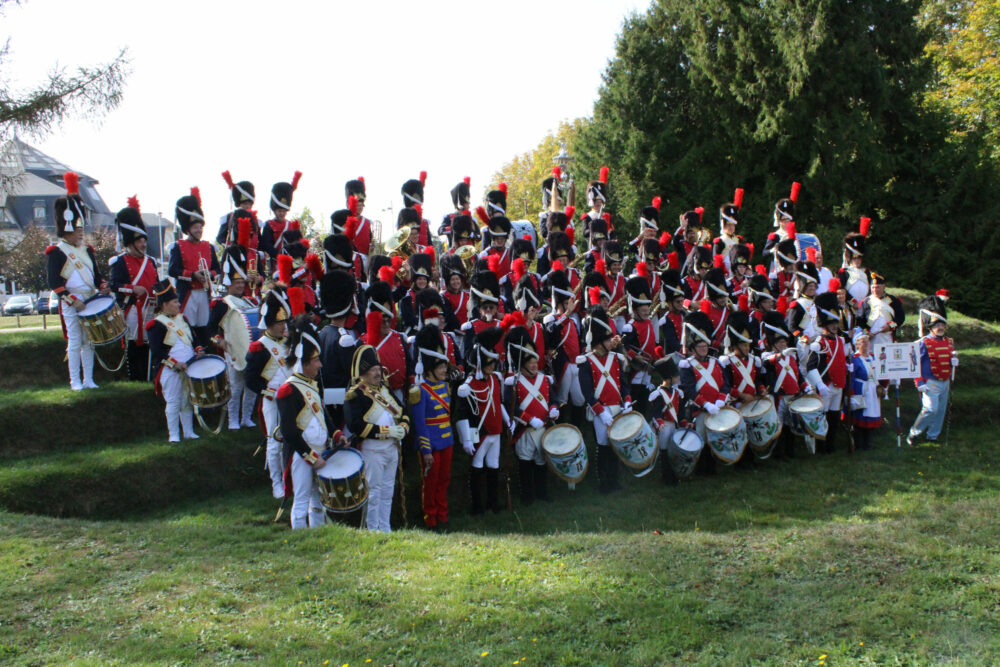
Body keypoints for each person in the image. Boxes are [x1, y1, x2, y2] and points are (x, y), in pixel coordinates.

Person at [276, 315, 346, 530]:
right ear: (304, 361)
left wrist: (336, 434)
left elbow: (323, 416)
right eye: (316, 360)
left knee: (318, 500)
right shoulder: (288, 390)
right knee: (302, 499)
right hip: (302, 454)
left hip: (320, 451)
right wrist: (310, 457)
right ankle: (300, 538)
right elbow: (289, 432)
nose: (320, 364)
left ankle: (317, 535)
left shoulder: (312, 386)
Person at [45, 171, 110, 391]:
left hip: (89, 299)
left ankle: (89, 379)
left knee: (89, 341)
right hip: (72, 301)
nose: (82, 234)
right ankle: (75, 381)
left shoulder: (88, 250)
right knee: (74, 342)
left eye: (83, 230)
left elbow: (96, 274)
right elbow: (54, 282)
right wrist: (72, 300)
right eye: (78, 230)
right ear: (68, 228)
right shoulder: (57, 251)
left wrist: (102, 285)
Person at [345, 341, 410, 532]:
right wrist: (387, 431)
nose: (377, 373)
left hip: (391, 449)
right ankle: (373, 529)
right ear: (363, 373)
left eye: (378, 369)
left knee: (388, 491)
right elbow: (356, 425)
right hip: (373, 449)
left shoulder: (385, 390)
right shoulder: (356, 395)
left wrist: (404, 428)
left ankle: (385, 527)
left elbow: (403, 412)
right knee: (373, 492)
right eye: (373, 370)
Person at [504, 321, 559, 505]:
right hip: (525, 430)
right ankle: (527, 496)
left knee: (541, 463)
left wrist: (553, 409)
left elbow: (553, 400)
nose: (535, 366)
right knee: (525, 464)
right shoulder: (513, 382)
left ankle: (542, 493)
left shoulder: (545, 379)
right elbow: (512, 407)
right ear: (524, 364)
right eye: (531, 363)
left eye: (536, 362)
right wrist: (528, 419)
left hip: (543, 428)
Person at [245, 287, 291, 498]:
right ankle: (276, 483)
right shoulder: (258, 348)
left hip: (291, 398)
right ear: (269, 324)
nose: (283, 326)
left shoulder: (289, 344)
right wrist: (267, 391)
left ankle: (289, 479)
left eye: (284, 322)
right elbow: (251, 380)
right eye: (279, 323)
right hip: (272, 400)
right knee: (274, 442)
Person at [456, 326, 508, 514]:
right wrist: (467, 439)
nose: (492, 367)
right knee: (477, 468)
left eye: (493, 364)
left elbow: (498, 402)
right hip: (482, 432)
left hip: (496, 431)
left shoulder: (494, 379)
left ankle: (493, 503)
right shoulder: (468, 385)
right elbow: (461, 414)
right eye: (488, 364)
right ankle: (477, 506)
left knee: (494, 467)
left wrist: (508, 420)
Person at [578, 306, 630, 493]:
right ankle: (603, 483)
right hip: (600, 411)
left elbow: (623, 385)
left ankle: (614, 481)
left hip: (617, 408)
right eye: (608, 339)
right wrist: (602, 413)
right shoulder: (585, 361)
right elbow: (588, 393)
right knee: (603, 446)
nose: (612, 342)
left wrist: (628, 401)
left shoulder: (615, 358)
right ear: (599, 341)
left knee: (615, 446)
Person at [207, 242, 259, 430]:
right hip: (232, 349)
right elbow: (211, 330)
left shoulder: (249, 301)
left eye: (242, 282)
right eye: (236, 282)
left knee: (251, 387)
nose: (239, 285)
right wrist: (218, 341)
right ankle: (233, 421)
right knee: (236, 387)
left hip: (250, 350)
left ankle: (246, 418)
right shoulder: (221, 304)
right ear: (229, 283)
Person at [410, 324, 456, 531]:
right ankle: (431, 517)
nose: (444, 370)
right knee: (431, 481)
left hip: (446, 440)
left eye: (444, 366)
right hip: (431, 443)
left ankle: (443, 515)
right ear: (429, 368)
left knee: (444, 480)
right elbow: (420, 424)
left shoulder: (445, 386)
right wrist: (426, 449)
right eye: (440, 367)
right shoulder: (419, 391)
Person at [109, 196, 159, 381]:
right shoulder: (120, 262)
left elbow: (157, 283)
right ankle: (135, 377)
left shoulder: (151, 261)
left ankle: (148, 376)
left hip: (151, 307)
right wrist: (132, 289)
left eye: (144, 240)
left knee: (150, 344)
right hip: (133, 309)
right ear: (130, 242)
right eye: (139, 241)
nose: (143, 244)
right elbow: (115, 285)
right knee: (134, 345)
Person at [146, 279, 201, 442]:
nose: (178, 305)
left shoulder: (183, 319)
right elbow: (157, 351)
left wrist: (199, 350)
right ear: (164, 305)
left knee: (187, 400)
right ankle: (174, 435)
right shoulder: (156, 324)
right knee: (173, 401)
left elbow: (194, 339)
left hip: (189, 366)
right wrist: (174, 363)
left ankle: (188, 432)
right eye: (175, 302)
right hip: (170, 369)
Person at [679, 310, 730, 475]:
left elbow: (725, 385)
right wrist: (706, 404)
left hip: (716, 407)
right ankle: (700, 468)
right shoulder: (687, 365)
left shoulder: (716, 362)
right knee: (701, 439)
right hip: (700, 409)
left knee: (714, 439)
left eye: (705, 346)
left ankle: (713, 467)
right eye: (700, 346)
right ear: (693, 347)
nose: (703, 349)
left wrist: (721, 400)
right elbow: (689, 390)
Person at [169, 188, 220, 349]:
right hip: (188, 293)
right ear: (188, 228)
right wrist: (193, 275)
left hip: (204, 293)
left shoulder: (209, 247)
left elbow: (217, 269)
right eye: (195, 227)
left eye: (200, 226)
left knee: (205, 328)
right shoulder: (178, 246)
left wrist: (209, 275)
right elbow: (173, 270)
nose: (199, 230)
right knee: (188, 327)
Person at [907, 294, 957, 446]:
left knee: (940, 411)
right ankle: (914, 433)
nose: (940, 328)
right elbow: (914, 363)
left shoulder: (949, 342)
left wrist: (953, 362)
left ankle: (933, 436)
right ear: (930, 327)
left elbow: (946, 359)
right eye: (937, 325)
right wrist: (919, 381)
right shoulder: (923, 343)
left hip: (945, 380)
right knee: (930, 409)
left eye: (942, 325)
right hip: (930, 382)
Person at [317, 271, 361, 432]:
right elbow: (353, 375)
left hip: (325, 398)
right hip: (342, 402)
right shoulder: (345, 339)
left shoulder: (322, 333)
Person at [760, 310, 805, 459]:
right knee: (778, 426)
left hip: (792, 395)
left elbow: (798, 375)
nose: (784, 344)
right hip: (779, 396)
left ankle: (790, 451)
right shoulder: (768, 355)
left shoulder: (791, 356)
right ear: (774, 344)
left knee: (790, 425)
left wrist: (805, 386)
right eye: (780, 342)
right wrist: (780, 355)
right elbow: (768, 363)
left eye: (785, 342)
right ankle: (778, 453)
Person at [543, 263, 584, 423]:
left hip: (574, 363)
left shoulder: (573, 320)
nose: (570, 307)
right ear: (559, 303)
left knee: (579, 399)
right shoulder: (550, 318)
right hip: (562, 364)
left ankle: (578, 429)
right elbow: (551, 332)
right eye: (567, 303)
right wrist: (566, 314)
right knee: (561, 399)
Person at [621, 272, 661, 415]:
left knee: (645, 392)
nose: (646, 311)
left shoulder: (649, 322)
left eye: (647, 309)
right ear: (635, 309)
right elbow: (624, 347)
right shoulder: (629, 326)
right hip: (637, 366)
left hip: (648, 364)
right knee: (635, 393)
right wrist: (635, 357)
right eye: (643, 309)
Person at [649, 355, 683, 485]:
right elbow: (656, 411)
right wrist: (659, 421)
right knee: (665, 452)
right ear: (669, 378)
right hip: (664, 427)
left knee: (673, 451)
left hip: (674, 424)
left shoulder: (676, 393)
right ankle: (666, 476)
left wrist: (683, 421)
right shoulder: (658, 394)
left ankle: (674, 475)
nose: (678, 378)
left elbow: (678, 411)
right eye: (675, 376)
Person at [260, 173, 303, 268]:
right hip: (276, 262)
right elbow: (267, 245)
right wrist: (280, 255)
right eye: (279, 211)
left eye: (284, 211)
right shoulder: (269, 225)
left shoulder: (291, 225)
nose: (282, 213)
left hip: (292, 262)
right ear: (274, 210)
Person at [849, 330, 883, 451]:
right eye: (863, 342)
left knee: (872, 414)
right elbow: (851, 378)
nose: (866, 344)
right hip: (862, 390)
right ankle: (859, 443)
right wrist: (852, 393)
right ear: (857, 344)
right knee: (860, 416)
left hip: (873, 390)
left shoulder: (873, 356)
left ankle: (868, 443)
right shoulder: (854, 359)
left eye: (867, 341)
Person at [860, 273, 905, 348]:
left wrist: (890, 326)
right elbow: (859, 319)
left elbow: (900, 318)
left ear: (884, 287)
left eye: (878, 287)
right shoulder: (865, 302)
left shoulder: (893, 300)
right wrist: (866, 332)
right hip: (871, 339)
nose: (875, 290)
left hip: (888, 338)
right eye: (873, 287)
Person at [217, 171, 257, 247]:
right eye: (245, 204)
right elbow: (220, 237)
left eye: (249, 204)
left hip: (252, 255)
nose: (247, 207)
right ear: (239, 204)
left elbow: (258, 239)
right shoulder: (229, 217)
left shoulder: (255, 219)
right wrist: (229, 247)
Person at [712, 188, 746, 259]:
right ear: (724, 226)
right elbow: (716, 259)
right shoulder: (720, 241)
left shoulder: (739, 240)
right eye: (728, 225)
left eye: (733, 225)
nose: (731, 227)